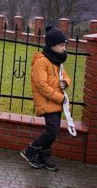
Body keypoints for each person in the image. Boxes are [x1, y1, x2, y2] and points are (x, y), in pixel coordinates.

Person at [21, 26, 71, 171]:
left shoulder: (57, 61)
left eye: (64, 46)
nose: (63, 49)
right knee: (52, 130)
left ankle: (44, 157)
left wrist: (65, 83)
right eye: (61, 45)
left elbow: (66, 76)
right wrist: (59, 98)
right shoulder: (41, 61)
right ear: (51, 45)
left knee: (53, 130)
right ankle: (29, 151)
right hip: (48, 101)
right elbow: (41, 85)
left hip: (56, 101)